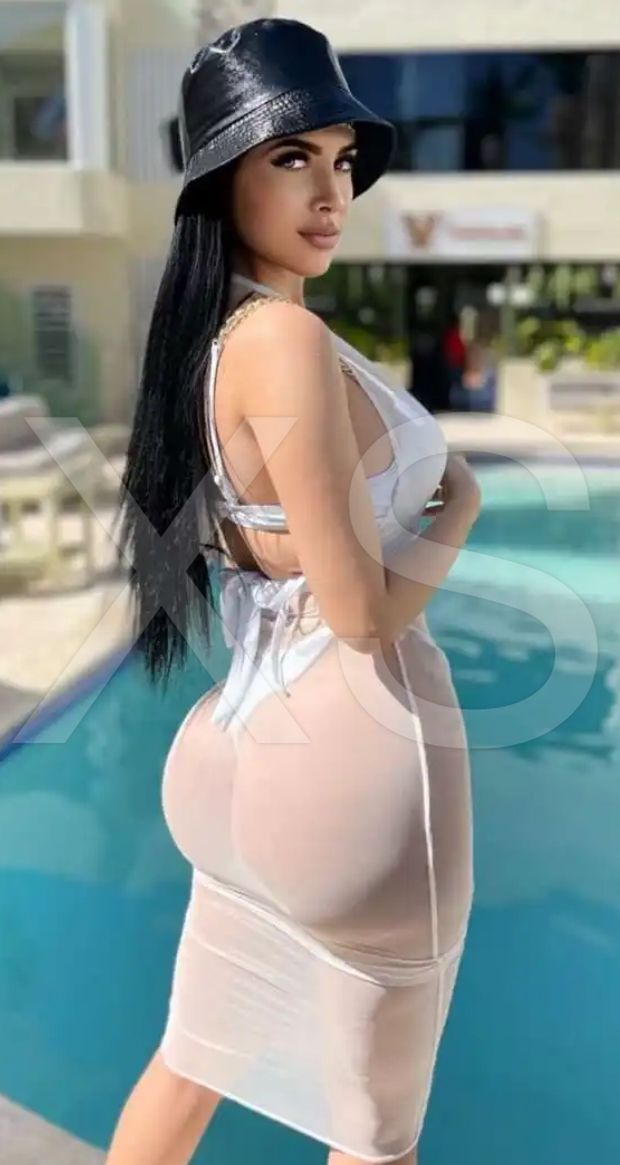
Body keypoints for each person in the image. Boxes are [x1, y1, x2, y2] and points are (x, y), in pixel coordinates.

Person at [110, 18, 480, 1165]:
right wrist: (458, 508)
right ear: (224, 179)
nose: (330, 194)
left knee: (187, 1067)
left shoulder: (209, 342)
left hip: (238, 756)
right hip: (346, 768)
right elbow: (363, 615)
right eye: (290, 158)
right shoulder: (282, 341)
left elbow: (252, 541)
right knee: (375, 1141)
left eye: (340, 160)